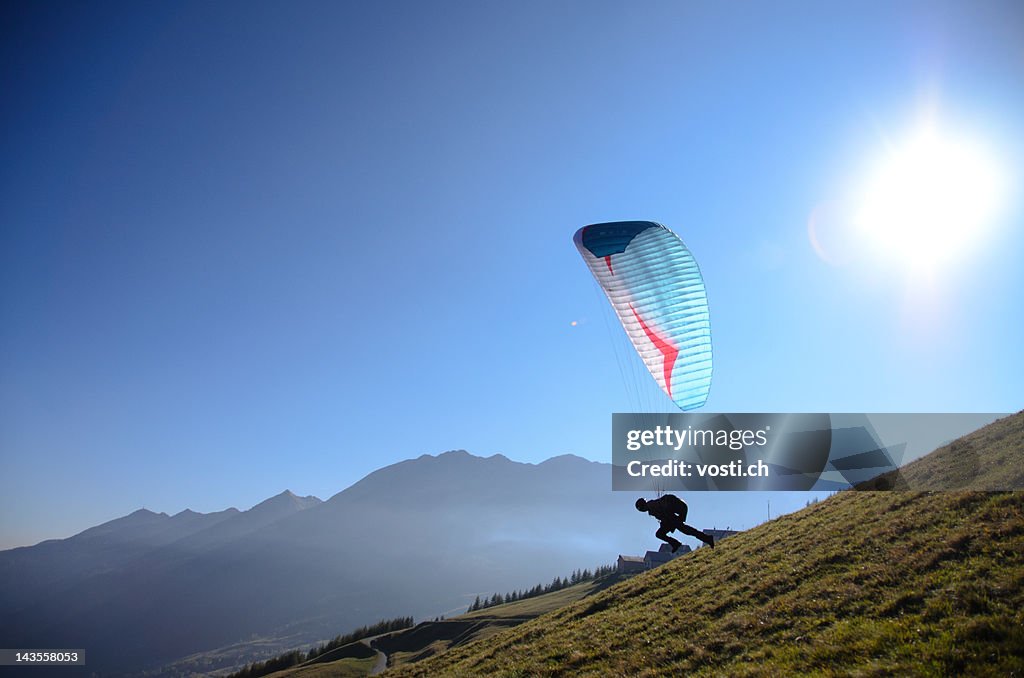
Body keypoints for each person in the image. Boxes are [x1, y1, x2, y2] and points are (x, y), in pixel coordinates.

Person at [635, 494, 714, 553]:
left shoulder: (652, 505)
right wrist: (669, 523)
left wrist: (671, 522)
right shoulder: (652, 506)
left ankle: (707, 538)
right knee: (661, 533)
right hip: (678, 509)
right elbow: (664, 516)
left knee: (684, 529)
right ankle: (676, 543)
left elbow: (667, 510)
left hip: (679, 508)